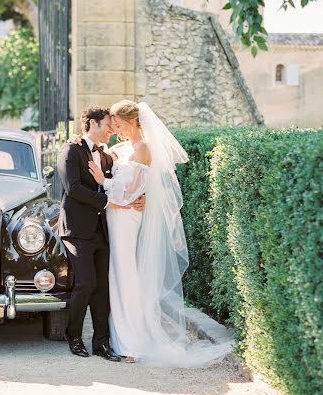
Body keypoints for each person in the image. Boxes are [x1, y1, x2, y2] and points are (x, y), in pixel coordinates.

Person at [88, 100, 232, 366]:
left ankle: (133, 343)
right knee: (117, 274)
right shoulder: (124, 147)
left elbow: (131, 190)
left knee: (125, 274)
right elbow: (102, 152)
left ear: (132, 121)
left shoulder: (143, 149)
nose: (115, 128)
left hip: (126, 216)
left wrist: (102, 181)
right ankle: (122, 338)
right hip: (116, 214)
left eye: (118, 123)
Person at [56, 106, 143, 361]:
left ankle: (101, 343)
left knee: (102, 287)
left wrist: (143, 197)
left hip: (102, 230)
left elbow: (130, 179)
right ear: (93, 124)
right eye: (107, 126)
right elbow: (73, 189)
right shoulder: (70, 150)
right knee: (85, 283)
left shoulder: (107, 156)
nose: (111, 131)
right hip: (77, 229)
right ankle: (73, 335)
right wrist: (108, 203)